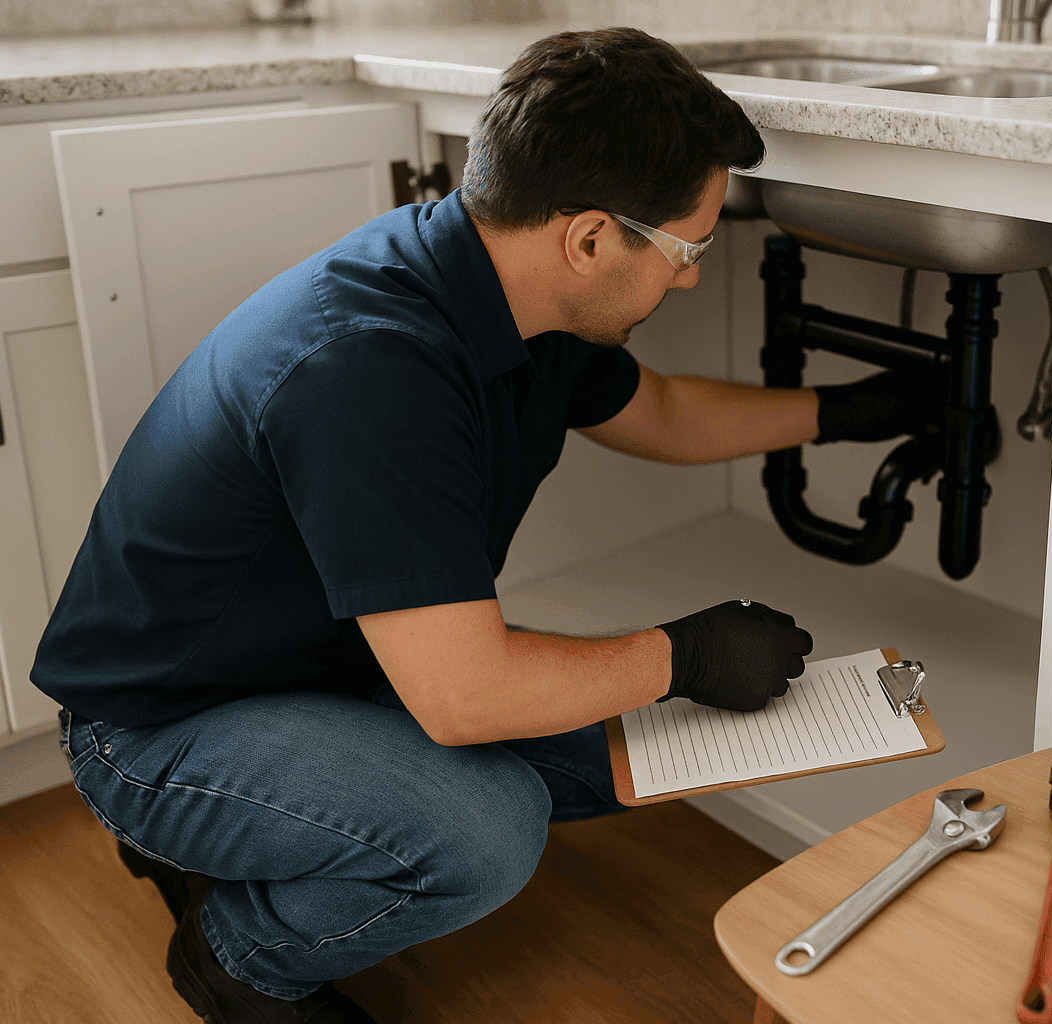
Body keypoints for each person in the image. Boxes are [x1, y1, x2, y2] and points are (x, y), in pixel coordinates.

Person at [30, 26, 934, 1024]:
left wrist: (850, 412)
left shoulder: (507, 291)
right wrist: (687, 653)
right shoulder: (372, 369)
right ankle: (238, 955)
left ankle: (258, 835)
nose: (689, 277)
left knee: (621, 743)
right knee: (489, 827)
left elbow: (667, 413)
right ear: (590, 239)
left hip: (322, 665)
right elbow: (464, 697)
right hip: (159, 727)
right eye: (690, 249)